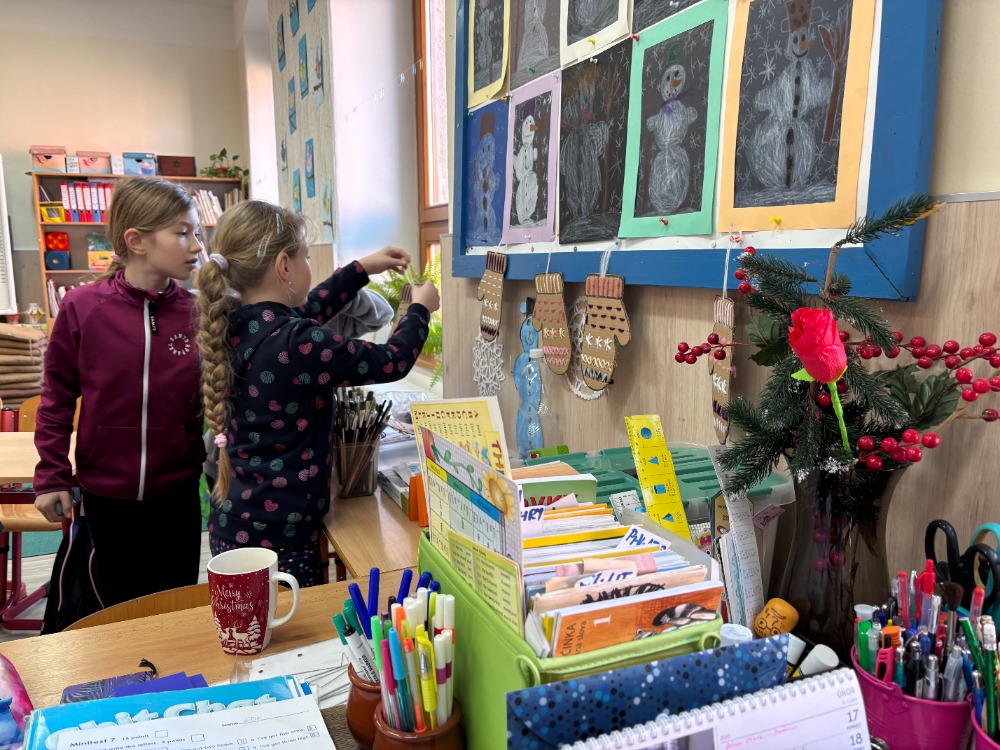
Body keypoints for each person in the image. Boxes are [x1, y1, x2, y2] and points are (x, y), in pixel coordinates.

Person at [196, 200, 439, 587]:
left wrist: (362, 269)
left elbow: (313, 305)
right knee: (294, 625)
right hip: (282, 541)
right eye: (306, 256)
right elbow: (392, 361)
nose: (309, 265)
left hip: (234, 524)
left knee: (248, 623)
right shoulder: (295, 342)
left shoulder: (237, 323)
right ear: (284, 266)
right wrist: (420, 310)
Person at [34, 177, 207, 633]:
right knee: (112, 618)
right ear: (137, 241)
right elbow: (56, 399)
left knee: (173, 614)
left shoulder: (198, 312)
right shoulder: (83, 307)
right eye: (183, 233)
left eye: (196, 233)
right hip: (106, 498)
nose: (196, 246)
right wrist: (51, 475)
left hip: (178, 496)